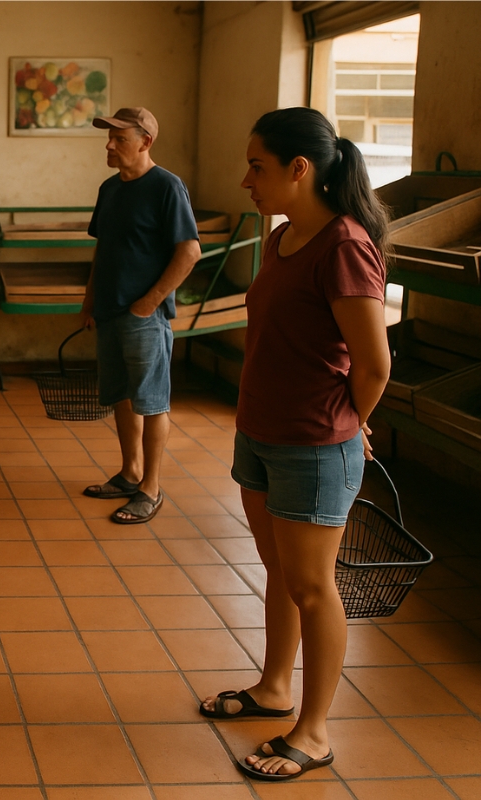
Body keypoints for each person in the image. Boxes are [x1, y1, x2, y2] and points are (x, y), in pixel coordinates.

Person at [199, 107, 391, 783]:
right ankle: (274, 687)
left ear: (299, 169)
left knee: (313, 586)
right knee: (278, 570)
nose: (246, 179)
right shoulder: (285, 237)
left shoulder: (343, 245)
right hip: (261, 432)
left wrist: (349, 422)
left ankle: (312, 730)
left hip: (313, 443)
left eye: (257, 166)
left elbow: (373, 365)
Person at [79, 107, 201, 524]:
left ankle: (151, 487)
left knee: (152, 401)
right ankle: (130, 473)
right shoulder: (109, 189)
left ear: (146, 141)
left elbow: (189, 251)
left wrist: (149, 302)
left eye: (119, 139)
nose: (109, 146)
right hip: (111, 310)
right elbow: (103, 249)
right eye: (108, 138)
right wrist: (90, 299)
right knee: (121, 395)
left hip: (144, 316)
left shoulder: (167, 187)